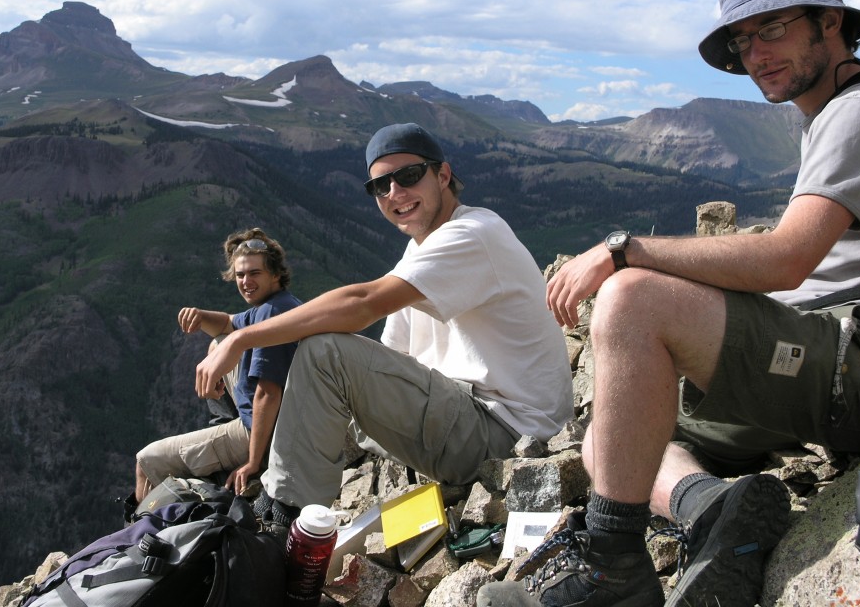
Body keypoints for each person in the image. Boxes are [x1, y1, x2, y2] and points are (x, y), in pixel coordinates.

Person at [478, 0, 860, 607]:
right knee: (609, 439)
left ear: (830, 22)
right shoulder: (832, 110)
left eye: (773, 29)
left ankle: (613, 570)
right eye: (742, 39)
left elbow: (788, 257)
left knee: (632, 299)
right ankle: (713, 508)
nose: (755, 52)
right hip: (842, 358)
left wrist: (623, 251)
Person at [194, 122, 573, 531]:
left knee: (324, 352)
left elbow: (362, 304)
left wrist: (241, 338)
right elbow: (395, 358)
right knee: (323, 363)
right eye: (380, 186)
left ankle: (283, 520)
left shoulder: (475, 233)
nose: (395, 193)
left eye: (409, 176)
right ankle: (285, 502)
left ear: (443, 175)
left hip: (510, 437)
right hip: (472, 421)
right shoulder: (420, 250)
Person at [134, 228, 301, 502]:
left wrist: (253, 462)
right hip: (274, 420)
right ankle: (224, 422)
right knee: (220, 343)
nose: (246, 281)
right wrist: (200, 316)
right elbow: (226, 324)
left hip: (259, 432)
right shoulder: (275, 304)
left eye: (254, 273)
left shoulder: (271, 314)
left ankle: (139, 535)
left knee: (145, 461)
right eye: (240, 274)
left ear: (275, 274)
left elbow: (268, 393)